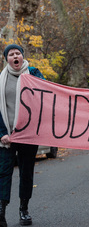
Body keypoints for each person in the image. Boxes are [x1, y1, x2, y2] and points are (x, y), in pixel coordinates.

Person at [0, 44, 45, 227]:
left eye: (18, 53)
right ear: (7, 59)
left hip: (28, 135)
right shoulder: (1, 79)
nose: (15, 56)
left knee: (26, 173)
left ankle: (24, 210)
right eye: (11, 54)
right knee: (4, 173)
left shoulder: (33, 73)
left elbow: (48, 95)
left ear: (23, 56)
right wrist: (2, 133)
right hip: (7, 137)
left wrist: (38, 76)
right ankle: (1, 211)